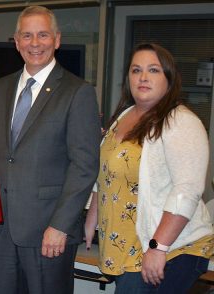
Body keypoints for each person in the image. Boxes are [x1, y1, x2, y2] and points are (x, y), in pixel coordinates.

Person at [0, 5, 101, 294]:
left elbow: (84, 166)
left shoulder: (77, 92)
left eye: (43, 35)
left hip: (49, 231)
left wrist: (59, 226)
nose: (35, 43)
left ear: (57, 39)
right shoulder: (1, 87)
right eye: (27, 35)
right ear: (16, 41)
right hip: (3, 231)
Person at [84, 43, 214, 293]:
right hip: (129, 245)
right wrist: (94, 214)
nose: (143, 77)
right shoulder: (124, 116)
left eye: (153, 70)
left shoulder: (181, 121)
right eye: (136, 70)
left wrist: (158, 247)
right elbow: (107, 173)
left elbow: (186, 190)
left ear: (169, 77)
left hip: (169, 247)